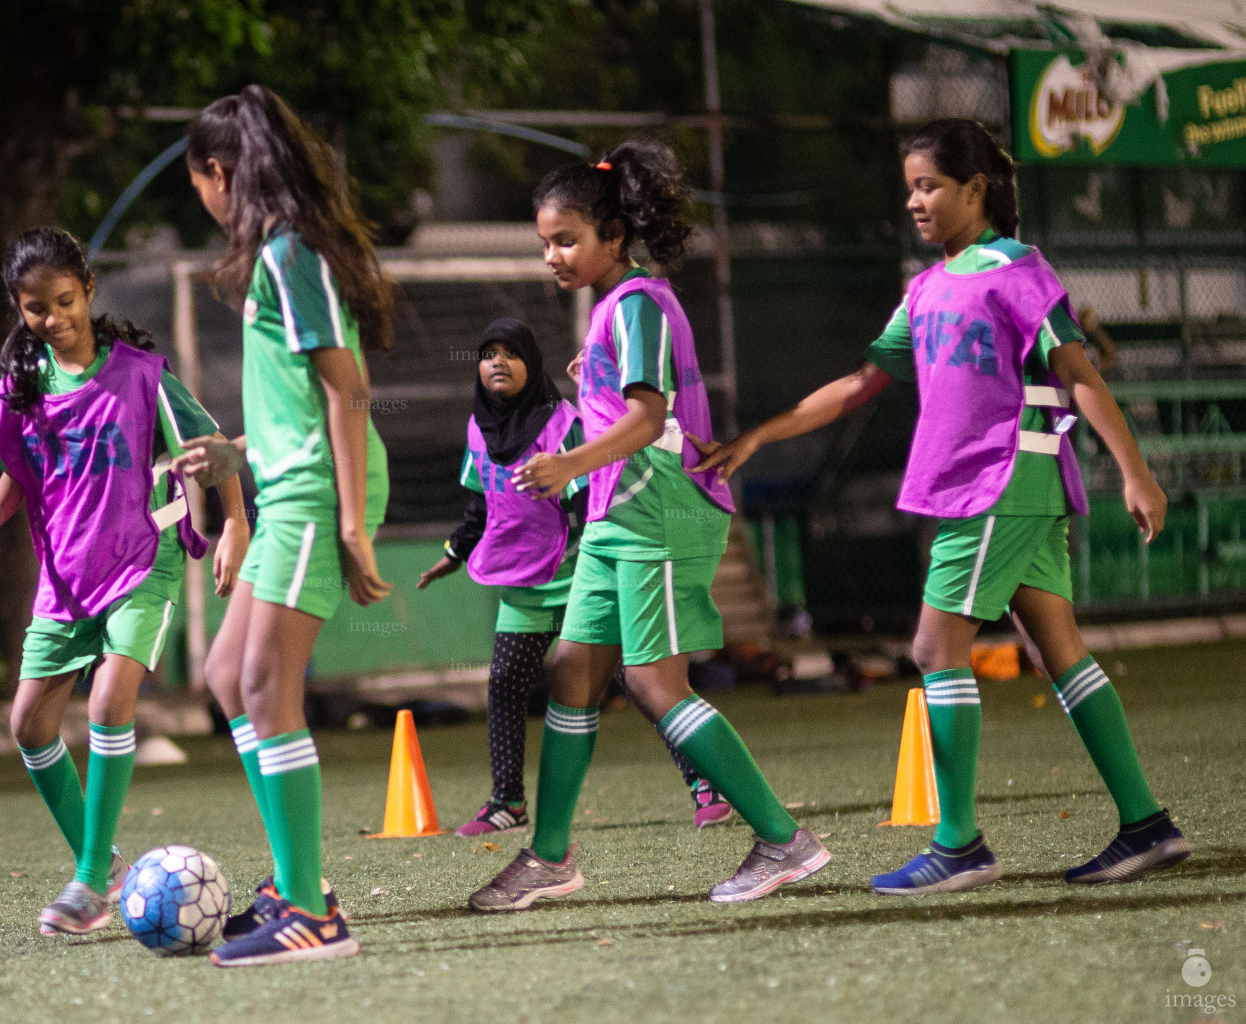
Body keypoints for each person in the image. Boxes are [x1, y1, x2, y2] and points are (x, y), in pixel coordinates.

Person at [690, 118, 1189, 895]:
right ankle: (1146, 825)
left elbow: (1080, 372)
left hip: (997, 484)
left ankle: (960, 846)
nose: (916, 202)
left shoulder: (1015, 269)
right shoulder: (924, 290)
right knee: (1058, 648)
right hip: (1003, 490)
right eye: (911, 188)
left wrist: (1135, 471)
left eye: (930, 186)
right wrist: (760, 436)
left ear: (976, 190)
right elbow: (862, 382)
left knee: (932, 648)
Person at [466, 141, 829, 914]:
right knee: (572, 671)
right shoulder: (616, 310)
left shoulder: (637, 303)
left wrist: (567, 464)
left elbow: (648, 417)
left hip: (654, 512)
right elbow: (637, 403)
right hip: (615, 515)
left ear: (613, 236)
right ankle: (551, 858)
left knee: (653, 682)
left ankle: (783, 840)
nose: (553, 256)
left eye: (566, 240)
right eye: (545, 243)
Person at [0, 226, 248, 935]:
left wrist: (234, 525)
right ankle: (108, 864)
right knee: (28, 723)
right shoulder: (19, 392)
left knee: (109, 699)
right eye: (37, 308)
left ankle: (91, 879)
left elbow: (210, 450)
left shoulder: (141, 375)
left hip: (139, 557)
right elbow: (20, 472)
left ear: (88, 291)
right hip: (66, 571)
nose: (54, 318)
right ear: (18, 308)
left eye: (65, 301)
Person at [181, 85, 391, 966]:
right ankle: (294, 881)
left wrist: (351, 522)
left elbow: (347, 389)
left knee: (269, 687)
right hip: (293, 490)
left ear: (219, 174)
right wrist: (231, 454)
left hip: (316, 500)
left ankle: (312, 913)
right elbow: (298, 406)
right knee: (227, 676)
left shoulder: (287, 257)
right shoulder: (279, 257)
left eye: (197, 182)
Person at [419, 317, 733, 836]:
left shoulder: (565, 424)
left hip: (582, 574)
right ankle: (507, 802)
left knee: (640, 682)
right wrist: (453, 552)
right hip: (523, 582)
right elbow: (482, 507)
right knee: (505, 682)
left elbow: (597, 497)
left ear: (532, 363)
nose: (497, 362)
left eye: (511, 353)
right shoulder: (478, 428)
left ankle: (703, 784)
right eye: (488, 353)